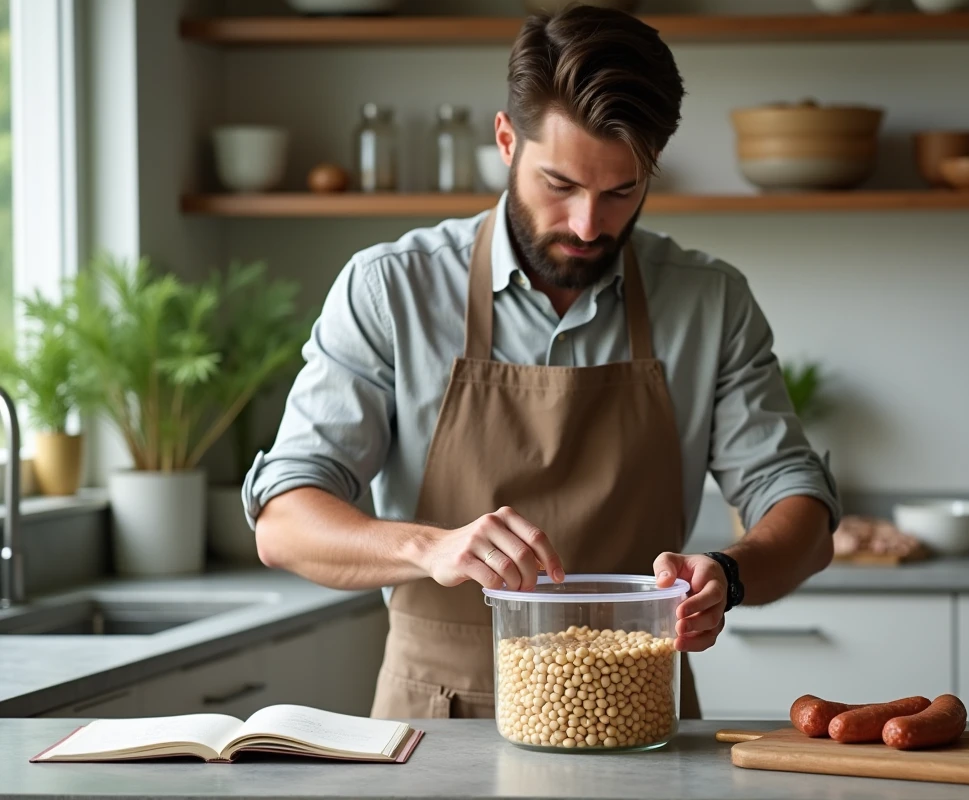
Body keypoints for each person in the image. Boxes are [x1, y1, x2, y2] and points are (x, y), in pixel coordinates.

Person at [243, 6, 840, 721]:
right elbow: (283, 522)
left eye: (621, 191)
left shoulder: (710, 301)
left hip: (635, 714)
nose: (589, 225)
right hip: (434, 719)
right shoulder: (390, 289)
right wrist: (429, 547)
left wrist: (730, 575)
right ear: (505, 140)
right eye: (560, 184)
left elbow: (798, 504)